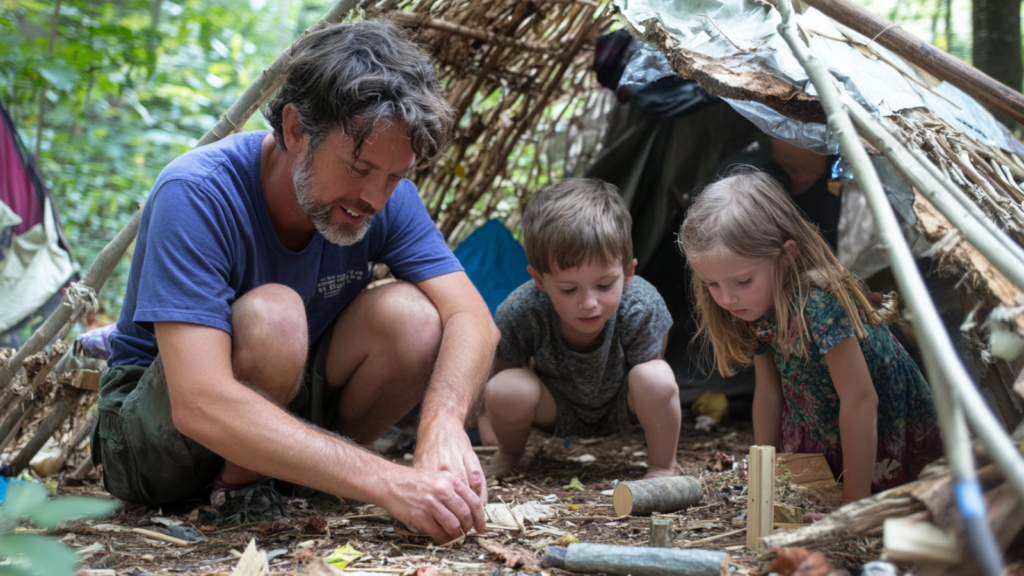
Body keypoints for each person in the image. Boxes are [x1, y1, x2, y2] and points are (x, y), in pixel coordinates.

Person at [91, 20, 500, 543]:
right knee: (276, 315)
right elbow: (199, 401)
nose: (373, 198)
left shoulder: (386, 200)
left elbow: (474, 319)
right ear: (294, 130)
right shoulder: (194, 192)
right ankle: (238, 496)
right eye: (358, 167)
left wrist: (442, 425)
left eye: (395, 176)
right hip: (153, 442)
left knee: (416, 318)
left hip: (282, 410)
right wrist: (390, 482)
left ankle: (302, 482)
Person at [678, 169, 942, 505]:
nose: (728, 299)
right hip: (825, 429)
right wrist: (765, 479)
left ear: (787, 256)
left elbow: (861, 401)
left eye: (742, 281)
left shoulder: (819, 306)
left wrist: (853, 508)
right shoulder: (757, 308)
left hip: (880, 437)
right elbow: (769, 394)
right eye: (712, 284)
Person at [478, 179, 680, 479]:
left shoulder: (642, 304)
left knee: (656, 377)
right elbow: (501, 373)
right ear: (540, 281)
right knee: (506, 388)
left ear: (627, 273)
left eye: (604, 285)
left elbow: (655, 378)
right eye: (569, 289)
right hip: (554, 408)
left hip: (623, 404)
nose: (588, 303)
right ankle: (509, 456)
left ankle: (663, 467)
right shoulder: (521, 310)